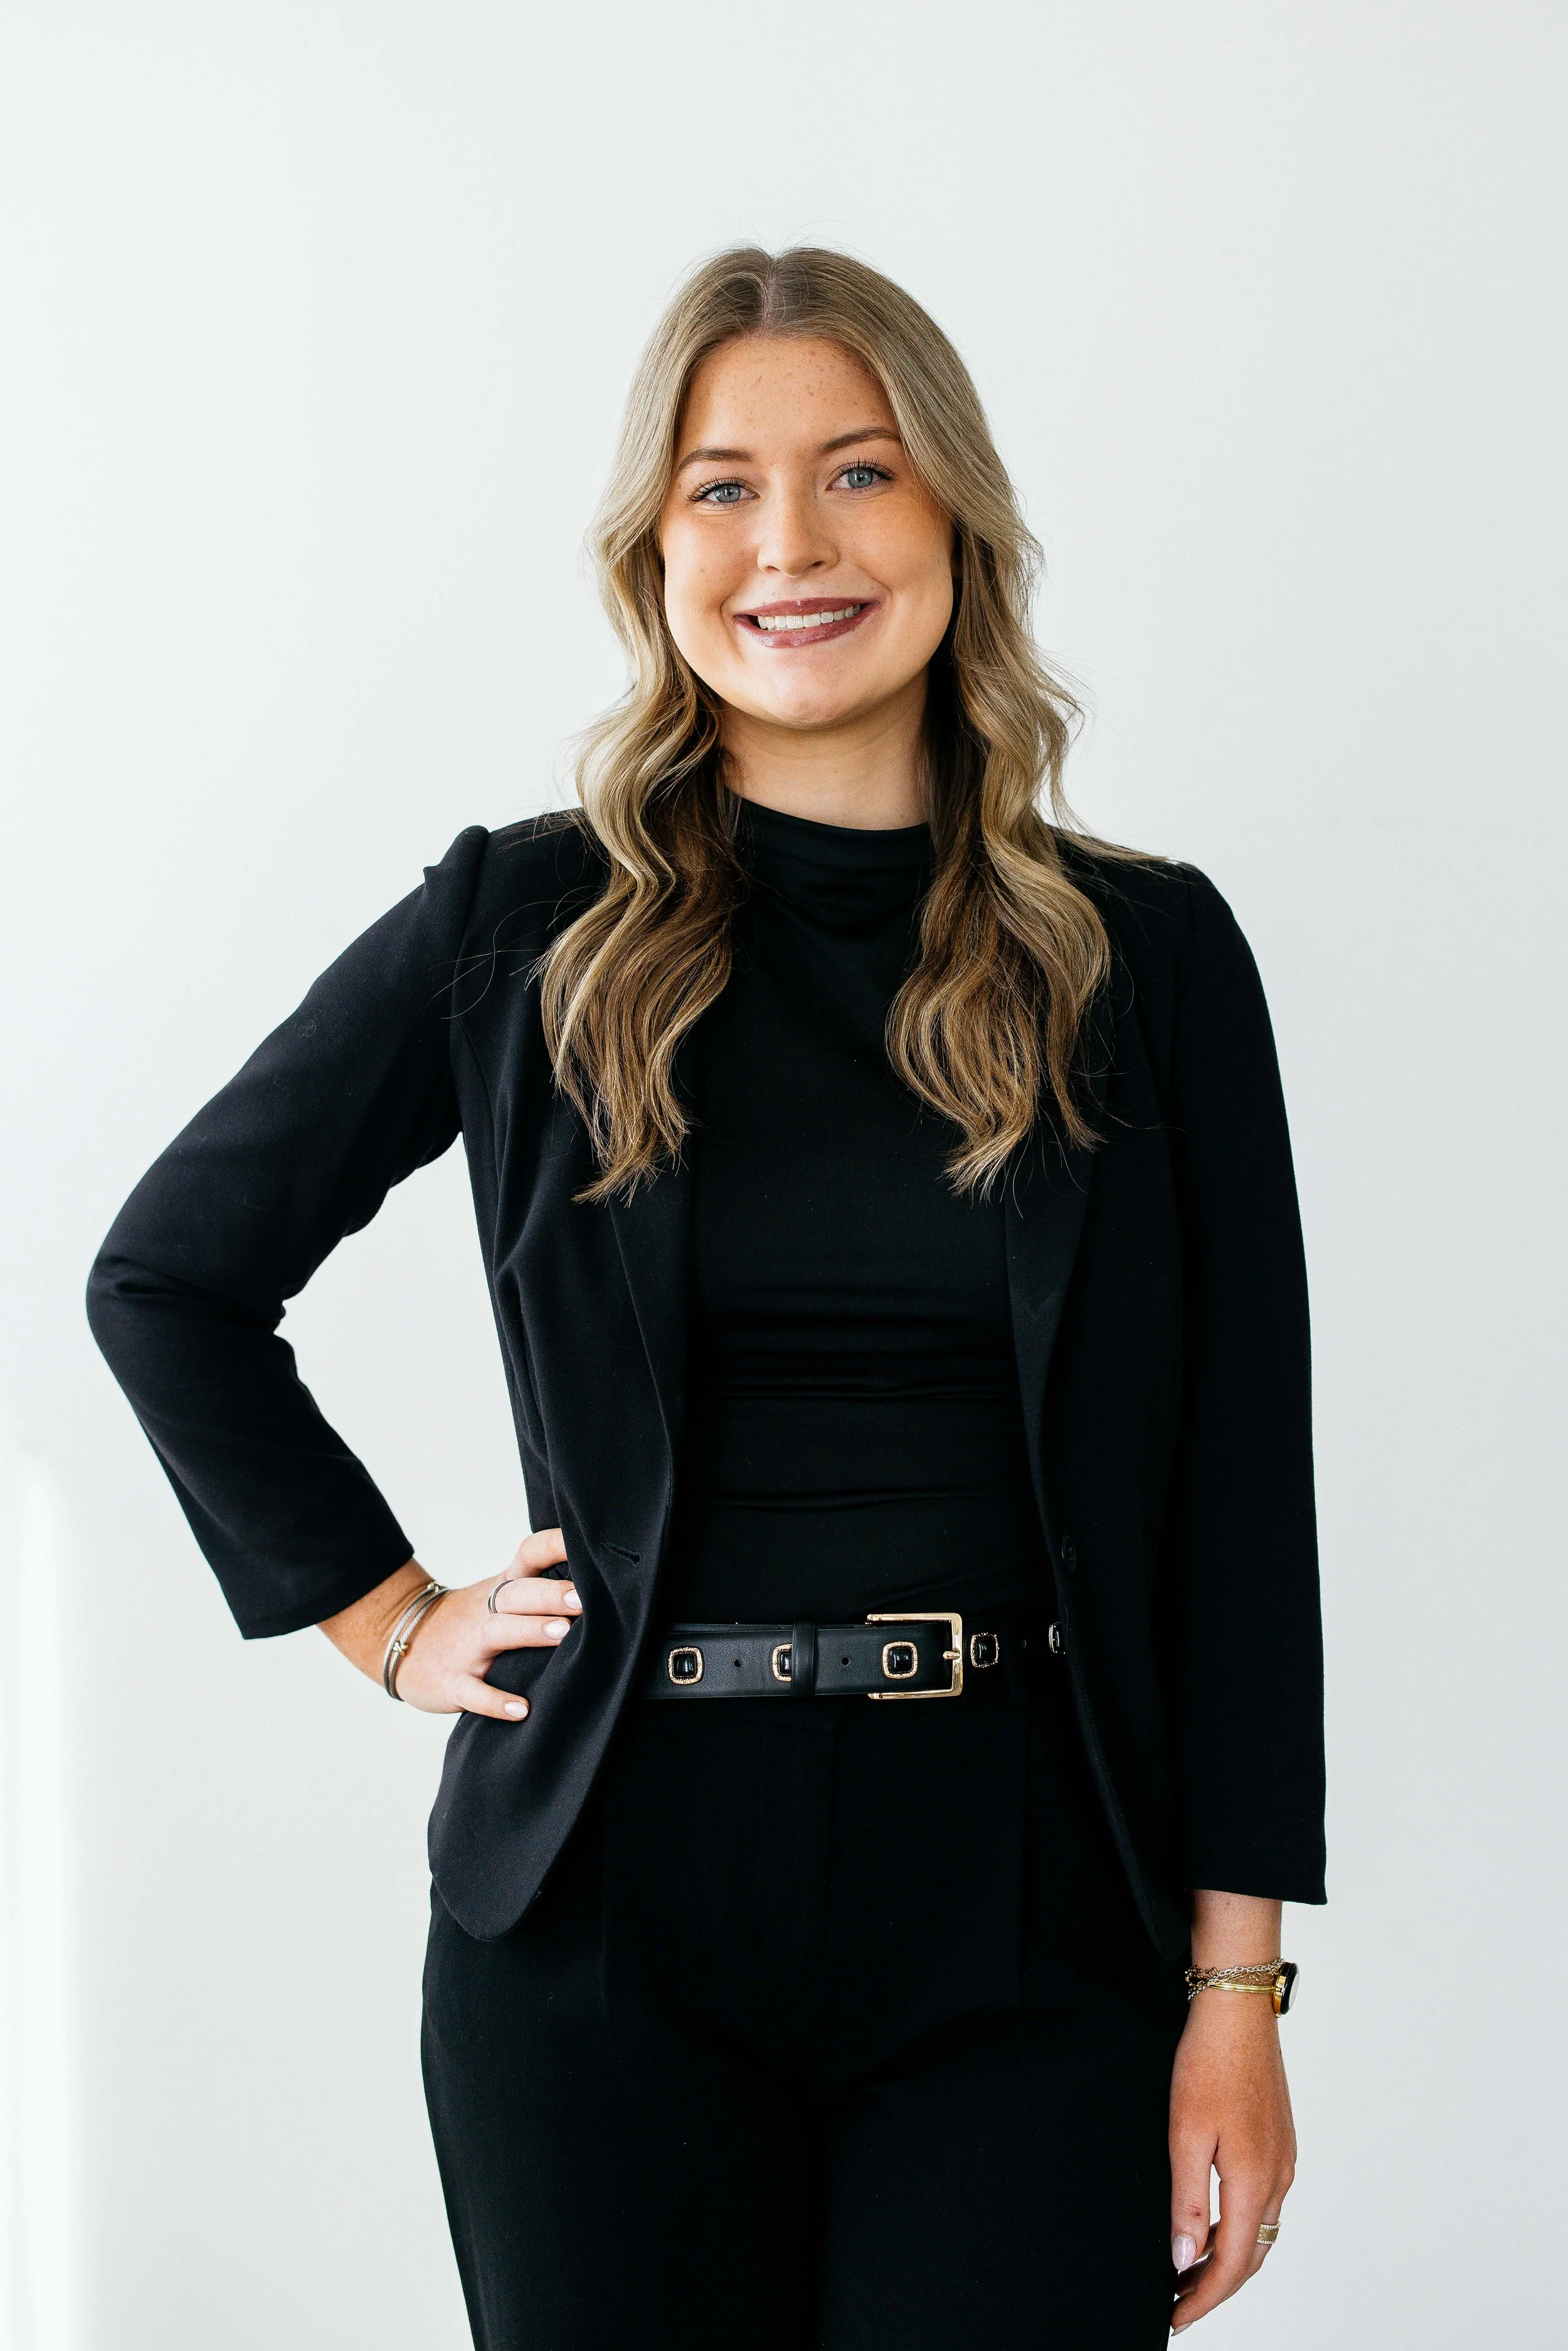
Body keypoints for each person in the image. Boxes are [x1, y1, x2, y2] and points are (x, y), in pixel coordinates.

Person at [87, 245, 1324, 2349]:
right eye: (721, 489)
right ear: (652, 548)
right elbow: (171, 1276)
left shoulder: (1149, 959)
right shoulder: (521, 924)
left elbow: (1237, 1492)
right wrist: (391, 1625)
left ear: (956, 516)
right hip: (602, 1917)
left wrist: (1234, 1993)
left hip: (1026, 1907)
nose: (791, 546)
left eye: (856, 474)